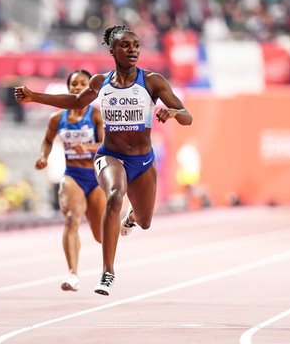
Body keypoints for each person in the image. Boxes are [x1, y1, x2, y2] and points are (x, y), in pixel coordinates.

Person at [15, 25, 193, 295]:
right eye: (125, 45)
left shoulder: (153, 81)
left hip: (143, 160)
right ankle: (107, 272)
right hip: (110, 156)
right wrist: (35, 96)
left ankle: (131, 219)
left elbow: (187, 115)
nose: (132, 50)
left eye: (136, 45)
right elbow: (76, 101)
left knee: (145, 221)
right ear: (112, 50)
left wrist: (171, 112)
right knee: (114, 194)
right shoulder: (101, 82)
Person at [35, 69, 105, 292]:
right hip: (73, 175)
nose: (77, 87)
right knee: (71, 220)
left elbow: (107, 145)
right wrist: (43, 157)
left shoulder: (95, 115)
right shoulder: (57, 118)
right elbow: (47, 141)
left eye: (83, 83)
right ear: (69, 88)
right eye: (74, 84)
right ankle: (73, 274)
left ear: (90, 88)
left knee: (99, 234)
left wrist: (87, 147)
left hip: (96, 178)